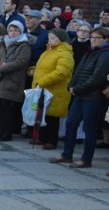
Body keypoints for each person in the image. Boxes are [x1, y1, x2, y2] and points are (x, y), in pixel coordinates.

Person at [51, 27, 109, 168]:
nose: (94, 40)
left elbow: (98, 78)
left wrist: (77, 89)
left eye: (97, 38)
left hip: (93, 97)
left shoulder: (105, 54)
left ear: (106, 39)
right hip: (80, 94)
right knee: (71, 123)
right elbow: (78, 71)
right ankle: (67, 155)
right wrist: (71, 86)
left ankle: (86, 159)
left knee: (89, 128)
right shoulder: (90, 51)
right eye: (92, 37)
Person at [0, 20, 31, 142]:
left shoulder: (24, 45)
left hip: (12, 79)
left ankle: (7, 132)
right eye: (11, 30)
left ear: (21, 31)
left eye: (16, 30)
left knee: (8, 108)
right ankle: (0, 131)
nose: (13, 33)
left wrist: (0, 68)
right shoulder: (2, 42)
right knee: (0, 107)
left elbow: (20, 62)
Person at [31, 29, 74, 150]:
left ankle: (52, 141)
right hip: (44, 88)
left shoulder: (64, 53)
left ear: (61, 40)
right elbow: (42, 66)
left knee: (53, 116)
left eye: (53, 38)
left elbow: (61, 72)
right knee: (44, 114)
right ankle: (43, 137)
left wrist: (43, 81)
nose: (50, 40)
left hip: (55, 89)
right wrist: (32, 70)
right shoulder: (48, 50)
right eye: (49, 38)